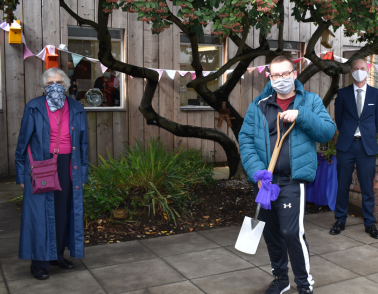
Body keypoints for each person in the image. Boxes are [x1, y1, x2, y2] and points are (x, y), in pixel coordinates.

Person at [239, 55, 336, 294]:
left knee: (292, 232)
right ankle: (281, 278)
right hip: (265, 182)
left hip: (293, 181)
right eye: (276, 75)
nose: (281, 79)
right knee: (271, 233)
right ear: (269, 77)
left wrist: (301, 115)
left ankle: (304, 284)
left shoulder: (310, 102)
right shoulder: (259, 104)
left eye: (285, 74)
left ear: (294, 74)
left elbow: (327, 131)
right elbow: (246, 139)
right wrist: (257, 174)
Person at [15, 68, 89, 280]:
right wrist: (21, 174)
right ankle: (39, 262)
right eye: (49, 83)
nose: (54, 86)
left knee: (63, 210)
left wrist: (82, 174)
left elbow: (83, 144)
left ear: (65, 85)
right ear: (44, 87)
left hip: (68, 165)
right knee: (39, 214)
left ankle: (57, 255)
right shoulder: (34, 107)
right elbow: (23, 142)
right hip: (41, 164)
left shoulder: (76, 107)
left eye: (58, 82)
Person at [330, 59, 378, 238]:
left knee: (367, 186)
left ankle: (369, 223)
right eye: (356, 69)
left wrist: (367, 135)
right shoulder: (342, 94)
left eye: (363, 69)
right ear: (351, 72)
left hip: (367, 146)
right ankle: (340, 220)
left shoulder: (376, 94)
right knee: (342, 184)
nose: (360, 71)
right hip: (346, 145)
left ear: (368, 70)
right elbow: (339, 120)